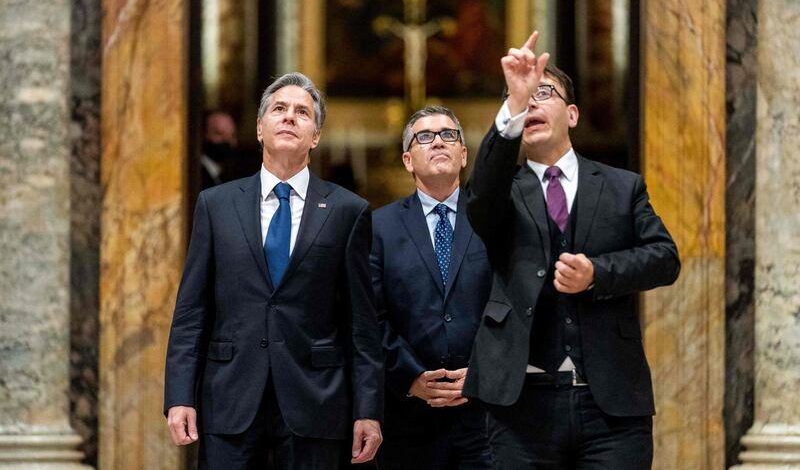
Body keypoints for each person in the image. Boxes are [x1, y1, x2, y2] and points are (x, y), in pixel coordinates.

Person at [463, 31, 681, 469]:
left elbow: (664, 257)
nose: (534, 103)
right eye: (525, 97)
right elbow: (481, 202)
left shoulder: (622, 186)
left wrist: (597, 273)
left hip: (611, 406)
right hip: (522, 408)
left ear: (574, 114)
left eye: (545, 93)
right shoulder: (500, 192)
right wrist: (515, 105)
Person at [164, 72, 384, 469]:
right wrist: (180, 396)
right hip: (230, 397)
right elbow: (191, 311)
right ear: (260, 129)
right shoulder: (216, 204)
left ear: (315, 136)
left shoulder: (348, 211)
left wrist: (368, 409)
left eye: (302, 112)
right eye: (279, 109)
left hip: (315, 401)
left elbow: (361, 324)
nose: (289, 117)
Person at [371, 106, 493, 469]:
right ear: (408, 159)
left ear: (464, 154)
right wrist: (410, 377)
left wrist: (484, 371)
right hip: (408, 418)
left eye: (448, 134)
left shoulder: (492, 219)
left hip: (484, 416)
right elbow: (368, 315)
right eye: (425, 136)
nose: (438, 141)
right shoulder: (379, 226)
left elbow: (512, 303)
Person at [201, 110, 238, 189]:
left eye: (232, 135)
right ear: (204, 135)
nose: (227, 140)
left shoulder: (231, 173)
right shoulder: (195, 174)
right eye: (219, 134)